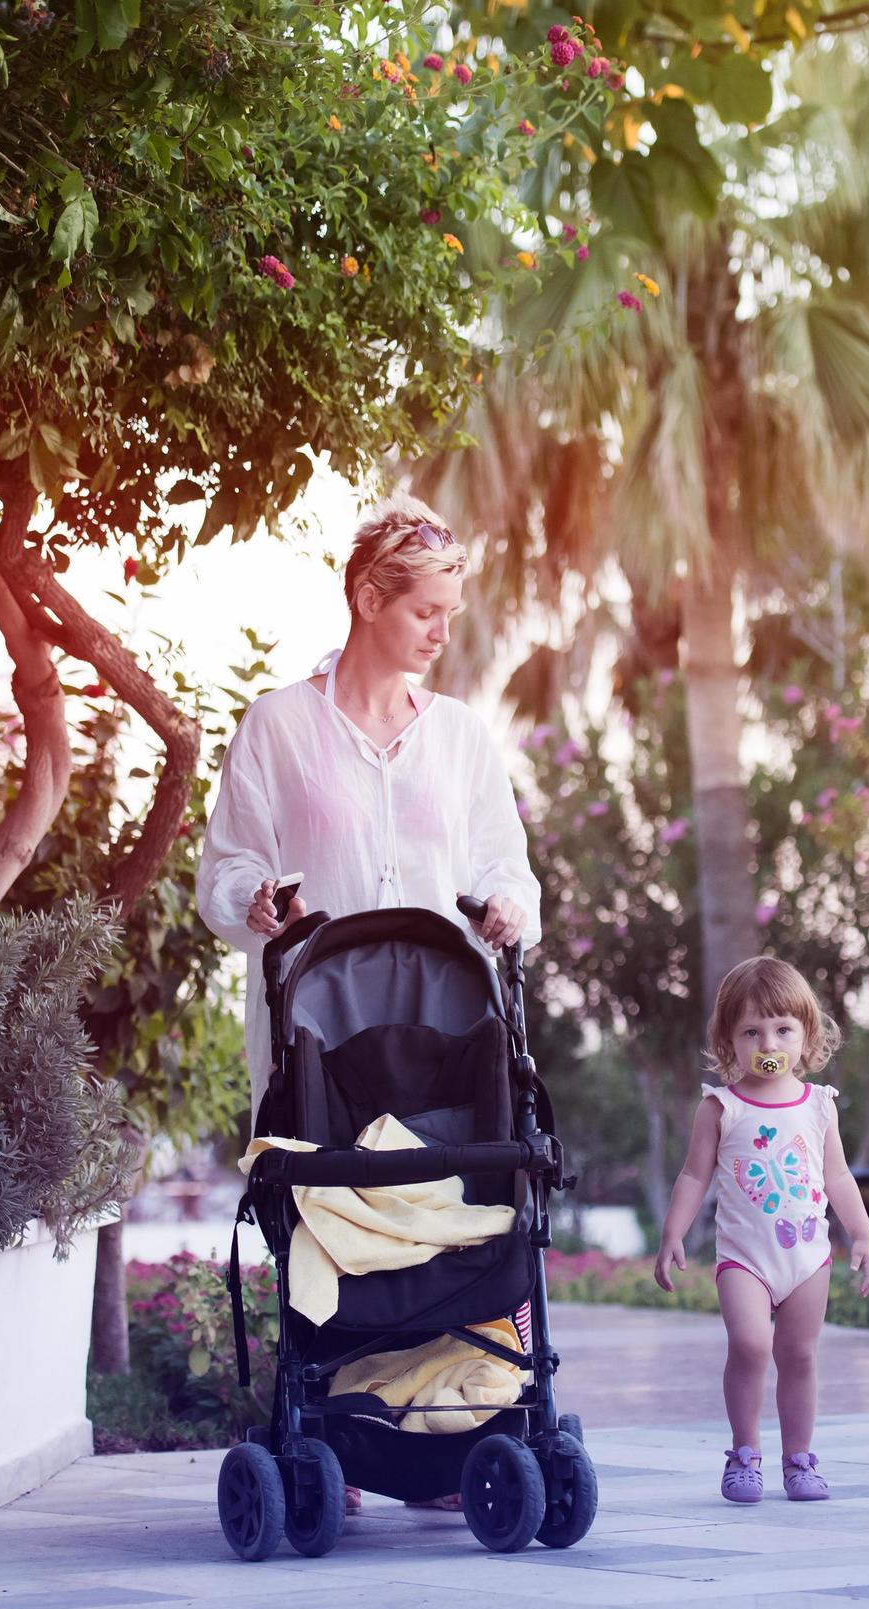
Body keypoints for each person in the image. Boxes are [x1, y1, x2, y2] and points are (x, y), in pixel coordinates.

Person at [195, 492, 543, 1514]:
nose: (443, 631)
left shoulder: (465, 738)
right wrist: (254, 898)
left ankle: (446, 1425)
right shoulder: (279, 728)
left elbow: (503, 865)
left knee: (443, 1222)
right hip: (320, 1043)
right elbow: (224, 870)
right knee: (332, 1221)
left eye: (451, 611)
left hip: (446, 1039)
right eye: (426, 609)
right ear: (365, 597)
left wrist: (509, 910)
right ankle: (336, 1435)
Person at [653, 956, 869, 1503]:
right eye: (751, 1032)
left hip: (808, 1258)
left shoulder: (818, 1105)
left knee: (799, 1356)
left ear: (806, 1037)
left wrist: (863, 1235)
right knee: (751, 1345)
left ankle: (799, 1460)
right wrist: (672, 1234)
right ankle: (744, 1454)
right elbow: (692, 1174)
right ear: (729, 1041)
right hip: (745, 1258)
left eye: (782, 1029)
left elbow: (838, 1176)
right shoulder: (721, 1106)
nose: (768, 1043)